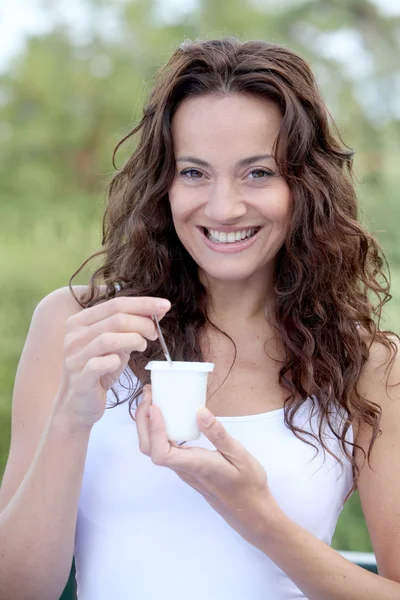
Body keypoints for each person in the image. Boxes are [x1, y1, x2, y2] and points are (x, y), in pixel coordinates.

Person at [0, 37, 399, 600]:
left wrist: (260, 519)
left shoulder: (366, 364)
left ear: (305, 186)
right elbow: (17, 589)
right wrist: (71, 415)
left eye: (258, 173)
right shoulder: (78, 325)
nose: (222, 207)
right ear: (163, 183)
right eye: (194, 172)